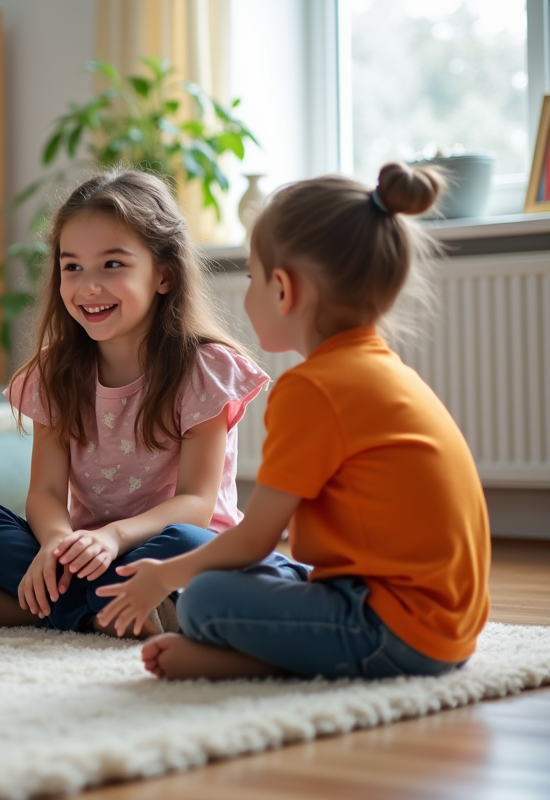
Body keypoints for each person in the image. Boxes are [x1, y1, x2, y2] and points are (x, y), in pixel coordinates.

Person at [95, 163, 491, 680]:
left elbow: (255, 537)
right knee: (250, 574)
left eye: (253, 277)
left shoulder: (314, 388)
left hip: (397, 632)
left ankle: (240, 663)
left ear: (283, 289)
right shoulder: (383, 371)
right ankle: (254, 653)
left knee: (205, 598)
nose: (247, 292)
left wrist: (160, 577)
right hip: (443, 626)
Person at [0, 170, 305, 636]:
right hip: (85, 552)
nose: (88, 286)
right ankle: (101, 612)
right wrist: (57, 541)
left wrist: (114, 535)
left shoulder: (204, 370)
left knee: (182, 541)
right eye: (72, 266)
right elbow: (47, 493)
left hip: (175, 551)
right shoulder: (53, 374)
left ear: (164, 274)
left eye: (112, 265)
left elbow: (196, 505)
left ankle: (44, 608)